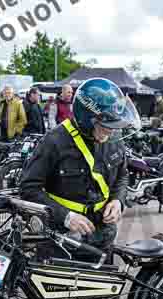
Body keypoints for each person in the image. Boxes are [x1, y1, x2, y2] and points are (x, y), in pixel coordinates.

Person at [20, 78, 136, 257]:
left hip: (103, 234)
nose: (111, 130)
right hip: (62, 238)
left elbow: (122, 175)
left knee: (100, 284)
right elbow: (28, 188)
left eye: (114, 124)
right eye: (105, 125)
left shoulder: (114, 138)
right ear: (87, 119)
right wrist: (65, 217)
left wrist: (118, 201)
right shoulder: (54, 141)